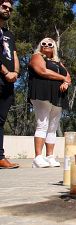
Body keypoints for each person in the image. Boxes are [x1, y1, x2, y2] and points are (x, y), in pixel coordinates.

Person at [27, 38, 71, 168]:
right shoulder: (37, 56)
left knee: (53, 126)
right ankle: (38, 157)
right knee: (42, 124)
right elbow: (42, 71)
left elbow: (68, 76)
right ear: (40, 46)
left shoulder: (58, 62)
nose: (46, 45)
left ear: (54, 48)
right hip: (41, 93)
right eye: (43, 43)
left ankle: (50, 156)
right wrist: (63, 78)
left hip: (57, 96)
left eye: (50, 44)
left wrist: (66, 82)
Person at [0, 0, 19, 169]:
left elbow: (13, 54)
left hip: (9, 81)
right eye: (4, 7)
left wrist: (16, 73)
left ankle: (0, 156)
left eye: (10, 9)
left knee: (1, 119)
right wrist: (5, 72)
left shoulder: (9, 34)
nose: (7, 10)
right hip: (3, 76)